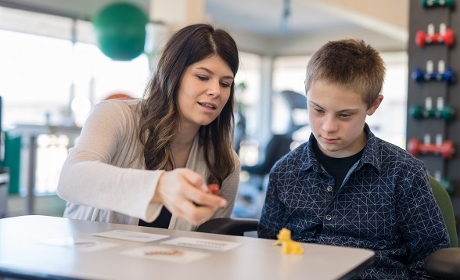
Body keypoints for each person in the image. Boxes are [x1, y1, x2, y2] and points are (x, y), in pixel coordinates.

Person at [257, 39, 450, 279]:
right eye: (318, 110)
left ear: (374, 105)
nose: (328, 127)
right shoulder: (283, 172)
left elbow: (433, 264)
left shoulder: (405, 173)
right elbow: (265, 253)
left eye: (344, 115)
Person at [57, 23, 241, 231]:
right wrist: (160, 186)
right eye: (202, 77)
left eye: (225, 83)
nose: (215, 90)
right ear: (173, 74)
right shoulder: (115, 116)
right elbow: (70, 179)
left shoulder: (225, 162)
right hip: (89, 260)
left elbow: (211, 241)